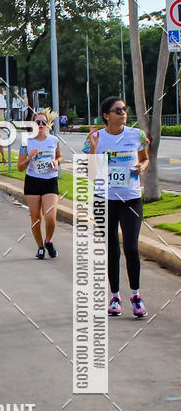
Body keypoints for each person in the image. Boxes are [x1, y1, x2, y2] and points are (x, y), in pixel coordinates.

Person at [83, 97, 149, 317]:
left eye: (124, 109)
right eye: (117, 110)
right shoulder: (95, 138)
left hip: (130, 199)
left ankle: (136, 294)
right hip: (104, 199)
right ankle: (115, 296)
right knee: (112, 249)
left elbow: (145, 158)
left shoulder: (136, 135)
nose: (123, 113)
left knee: (130, 246)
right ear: (106, 115)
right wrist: (93, 148)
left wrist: (141, 166)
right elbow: (90, 174)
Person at [17, 111, 61, 259]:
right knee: (36, 218)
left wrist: (56, 161)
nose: (41, 125)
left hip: (50, 181)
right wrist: (29, 157)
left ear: (48, 124)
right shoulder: (26, 142)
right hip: (33, 182)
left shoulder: (54, 140)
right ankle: (40, 247)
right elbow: (20, 167)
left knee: (50, 217)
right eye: (37, 122)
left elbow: (59, 155)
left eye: (43, 122)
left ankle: (48, 240)